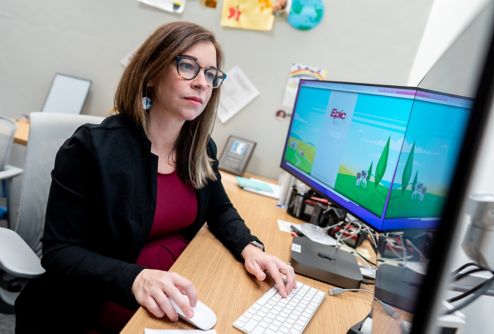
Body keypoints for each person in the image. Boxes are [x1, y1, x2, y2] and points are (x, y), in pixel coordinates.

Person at [15, 21, 296, 333]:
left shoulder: (200, 148)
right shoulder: (92, 148)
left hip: (177, 295)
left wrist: (251, 248)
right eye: (188, 66)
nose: (202, 83)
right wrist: (137, 278)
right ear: (151, 73)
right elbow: (60, 252)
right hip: (102, 303)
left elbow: (220, 210)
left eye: (211, 74)